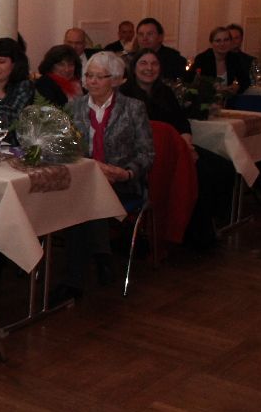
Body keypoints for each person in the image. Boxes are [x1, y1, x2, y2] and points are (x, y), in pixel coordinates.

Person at [55, 52, 154, 302]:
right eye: (89, 75)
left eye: (100, 77)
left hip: (122, 182)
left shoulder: (133, 108)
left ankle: (74, 280)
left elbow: (146, 153)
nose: (92, 81)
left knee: (83, 202)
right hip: (83, 181)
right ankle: (101, 254)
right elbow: (63, 148)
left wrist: (126, 172)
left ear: (117, 79)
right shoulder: (74, 107)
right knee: (83, 197)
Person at [121, 48, 232, 248]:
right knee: (201, 173)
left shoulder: (164, 91)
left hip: (177, 146)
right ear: (134, 68)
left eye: (154, 64)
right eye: (143, 63)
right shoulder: (125, 94)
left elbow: (181, 121)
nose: (149, 68)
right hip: (151, 152)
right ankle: (196, 233)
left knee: (222, 166)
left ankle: (208, 222)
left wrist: (186, 145)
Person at [189, 26, 250, 94]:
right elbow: (192, 82)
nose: (222, 44)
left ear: (230, 41)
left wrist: (237, 87)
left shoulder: (234, 58)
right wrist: (213, 89)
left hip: (228, 98)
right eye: (218, 41)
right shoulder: (202, 59)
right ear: (211, 43)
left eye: (226, 40)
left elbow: (245, 81)